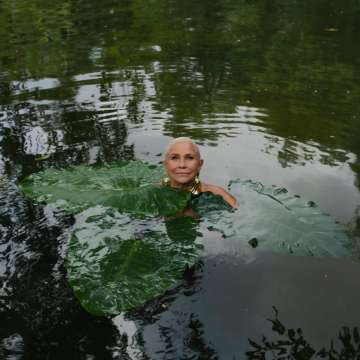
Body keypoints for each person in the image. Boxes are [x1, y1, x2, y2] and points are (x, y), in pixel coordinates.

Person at [162, 137, 238, 208]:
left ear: (199, 164)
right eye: (174, 158)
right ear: (165, 164)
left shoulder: (219, 195)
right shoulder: (153, 194)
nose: (182, 165)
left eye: (190, 158)